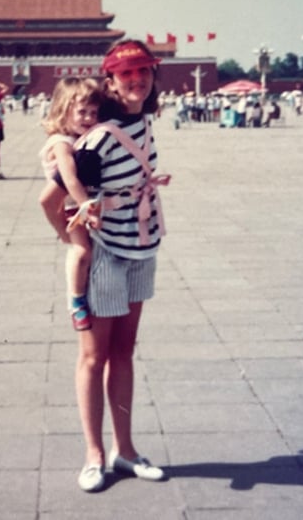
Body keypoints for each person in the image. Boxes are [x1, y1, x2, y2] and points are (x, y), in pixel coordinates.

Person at [72, 39, 168, 493]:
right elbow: (53, 201)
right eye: (126, 74)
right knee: (94, 358)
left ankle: (124, 450)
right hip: (107, 254)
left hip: (141, 249)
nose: (137, 80)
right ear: (110, 81)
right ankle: (94, 455)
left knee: (125, 354)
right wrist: (80, 252)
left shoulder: (144, 121)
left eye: (143, 72)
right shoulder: (99, 138)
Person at [38, 77, 105, 332]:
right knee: (82, 251)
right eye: (82, 112)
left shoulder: (74, 138)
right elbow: (69, 178)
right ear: (65, 110)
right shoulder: (61, 144)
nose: (88, 118)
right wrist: (85, 206)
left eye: (93, 113)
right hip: (72, 206)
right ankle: (76, 302)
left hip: (77, 204)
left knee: (88, 252)